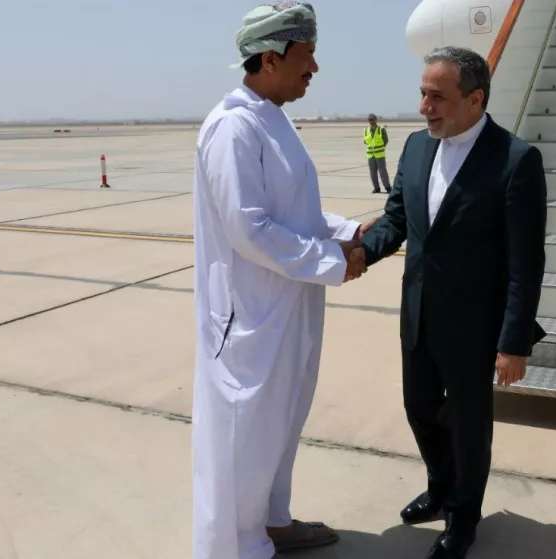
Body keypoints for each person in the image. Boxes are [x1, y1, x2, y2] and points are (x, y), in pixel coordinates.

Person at [349, 46, 548, 559]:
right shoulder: (416, 148)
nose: (424, 107)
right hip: (418, 313)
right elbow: (396, 221)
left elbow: (526, 261)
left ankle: (464, 513)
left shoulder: (516, 160)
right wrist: (357, 256)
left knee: (467, 423)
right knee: (419, 410)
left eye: (436, 96)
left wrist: (514, 341)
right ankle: (441, 487)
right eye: (422, 93)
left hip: (474, 325)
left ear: (475, 98)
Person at [191, 3, 370, 559]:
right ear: (270, 58)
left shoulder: (274, 117)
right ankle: (235, 548)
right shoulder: (233, 127)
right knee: (244, 439)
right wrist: (334, 260)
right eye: (306, 54)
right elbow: (249, 228)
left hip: (288, 305)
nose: (314, 66)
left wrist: (354, 229)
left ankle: (270, 522)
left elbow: (297, 213)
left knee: (280, 425)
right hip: (250, 315)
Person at [364, 113, 392, 193]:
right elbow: (366, 141)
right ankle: (376, 188)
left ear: (376, 120)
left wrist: (380, 147)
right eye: (370, 120)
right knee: (373, 173)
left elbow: (385, 140)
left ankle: (387, 187)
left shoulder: (381, 129)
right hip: (370, 155)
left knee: (383, 171)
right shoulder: (366, 131)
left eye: (372, 119)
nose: (371, 121)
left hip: (380, 154)